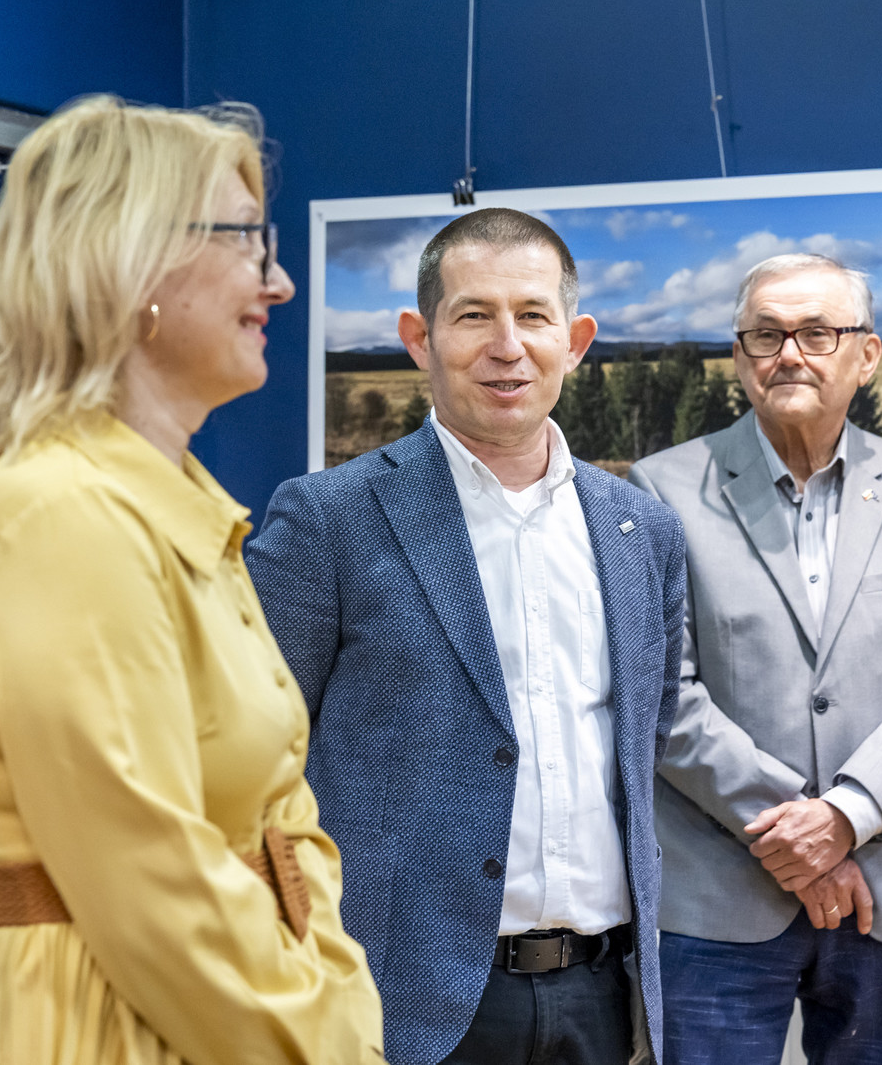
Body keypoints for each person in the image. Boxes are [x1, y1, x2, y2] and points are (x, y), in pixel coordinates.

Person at [0, 96, 384, 1065]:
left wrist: (339, 1010)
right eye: (247, 242)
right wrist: (322, 1042)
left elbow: (285, 823)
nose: (280, 283)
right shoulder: (62, 517)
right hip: (93, 1028)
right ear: (129, 262)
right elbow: (152, 881)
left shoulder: (175, 508)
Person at [246, 207, 686, 1065]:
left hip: (603, 994)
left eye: (533, 316)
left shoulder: (643, 531)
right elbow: (253, 758)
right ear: (420, 339)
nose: (506, 346)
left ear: (576, 341)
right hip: (399, 1000)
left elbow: (648, 737)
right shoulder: (330, 519)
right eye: (474, 315)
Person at [628, 252, 882, 1065]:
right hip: (719, 894)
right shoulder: (661, 489)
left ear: (866, 355)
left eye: (817, 333)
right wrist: (800, 835)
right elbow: (663, 693)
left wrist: (847, 816)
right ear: (739, 356)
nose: (789, 353)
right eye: (766, 334)